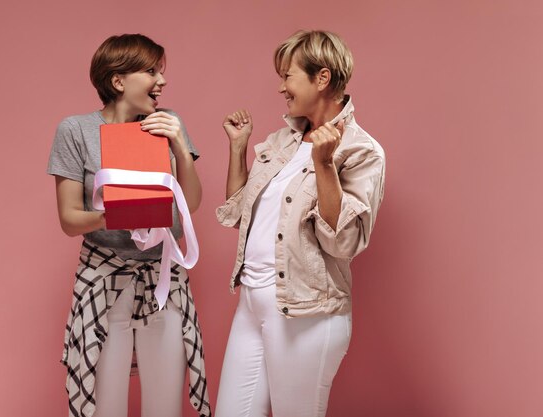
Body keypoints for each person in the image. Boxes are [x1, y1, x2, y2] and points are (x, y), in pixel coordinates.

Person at [215, 30, 386, 417]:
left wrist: (324, 164)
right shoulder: (283, 140)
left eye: (288, 76)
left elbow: (344, 242)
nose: (281, 88)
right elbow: (239, 213)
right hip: (252, 303)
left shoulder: (361, 150)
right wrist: (239, 147)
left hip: (308, 312)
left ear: (321, 78)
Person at [47, 34, 210, 417]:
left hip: (163, 280)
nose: (162, 81)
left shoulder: (168, 122)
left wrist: (179, 148)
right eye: (151, 71)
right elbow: (70, 220)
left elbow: (192, 203)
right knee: (105, 406)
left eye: (161, 72)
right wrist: (121, 213)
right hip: (103, 279)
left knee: (165, 406)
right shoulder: (75, 130)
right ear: (118, 81)